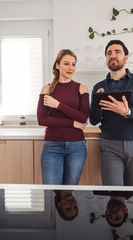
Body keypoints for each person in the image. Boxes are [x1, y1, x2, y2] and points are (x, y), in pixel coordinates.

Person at [89, 40, 133, 186]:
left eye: (117, 52)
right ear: (106, 59)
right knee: (113, 196)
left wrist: (128, 112)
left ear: (126, 57)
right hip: (110, 145)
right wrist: (98, 103)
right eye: (108, 53)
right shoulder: (98, 87)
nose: (112, 55)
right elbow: (93, 120)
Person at [37, 49, 90, 185]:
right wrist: (72, 123)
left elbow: (83, 117)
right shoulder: (47, 89)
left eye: (73, 64)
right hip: (52, 146)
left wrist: (58, 105)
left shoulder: (81, 88)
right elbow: (42, 120)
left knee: (69, 195)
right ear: (57, 65)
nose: (70, 68)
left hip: (77, 147)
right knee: (52, 193)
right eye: (66, 64)